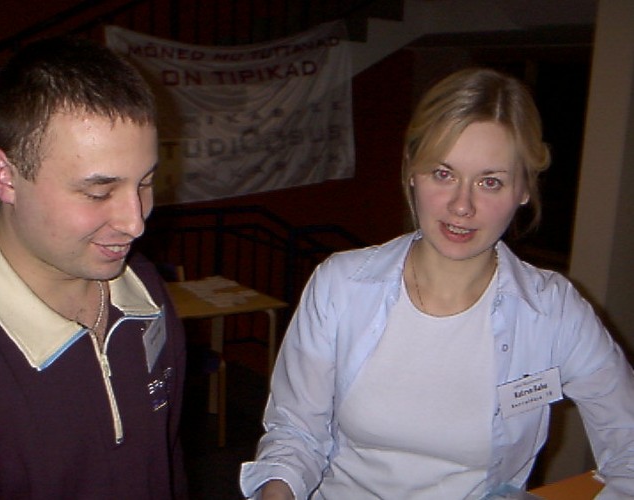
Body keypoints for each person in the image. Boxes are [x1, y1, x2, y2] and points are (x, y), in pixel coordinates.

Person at [240, 67, 634, 499]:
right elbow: (295, 433)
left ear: (524, 189)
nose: (462, 206)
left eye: (490, 182)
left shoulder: (553, 312)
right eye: (443, 174)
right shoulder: (341, 285)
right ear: (412, 170)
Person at [0, 36, 187, 498]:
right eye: (98, 192)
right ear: (5, 177)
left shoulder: (144, 288)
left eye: (146, 182)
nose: (135, 223)